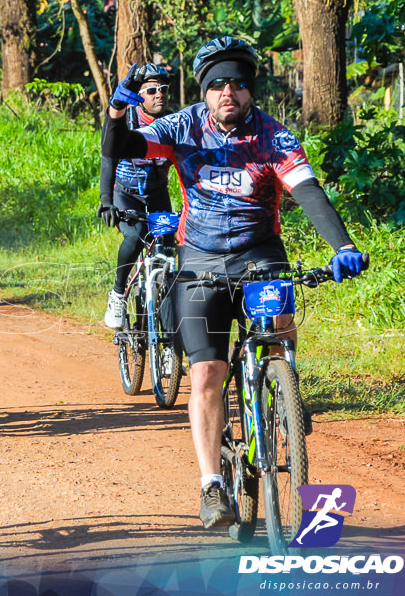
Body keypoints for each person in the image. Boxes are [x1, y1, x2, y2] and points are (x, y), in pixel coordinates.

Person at [101, 36, 369, 529]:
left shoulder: (274, 136)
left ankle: (284, 388)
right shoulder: (182, 126)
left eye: (240, 84)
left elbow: (309, 192)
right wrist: (118, 110)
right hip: (200, 260)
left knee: (279, 328)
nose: (230, 92)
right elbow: (118, 148)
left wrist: (342, 246)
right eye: (219, 83)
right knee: (205, 374)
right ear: (205, 91)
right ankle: (211, 487)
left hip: (259, 253)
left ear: (251, 91)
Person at [98, 63, 175, 328]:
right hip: (126, 196)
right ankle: (118, 295)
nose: (159, 95)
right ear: (138, 95)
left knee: (170, 252)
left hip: (158, 196)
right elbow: (108, 159)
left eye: (163, 89)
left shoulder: (174, 123)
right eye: (151, 90)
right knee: (136, 235)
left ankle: (169, 332)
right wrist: (106, 201)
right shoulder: (125, 121)